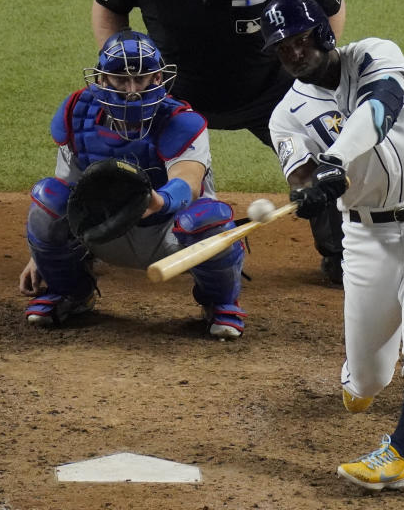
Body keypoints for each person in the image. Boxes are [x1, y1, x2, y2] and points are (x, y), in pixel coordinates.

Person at [91, 0, 348, 284]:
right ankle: (97, 238)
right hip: (174, 95)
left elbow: (330, 5)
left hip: (268, 91)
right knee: (112, 146)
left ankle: (343, 252)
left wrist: (313, 73)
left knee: (326, 148)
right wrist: (126, 75)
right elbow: (108, 4)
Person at [261, 0, 404, 490]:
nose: (292, 54)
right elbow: (303, 177)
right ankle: (358, 378)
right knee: (371, 379)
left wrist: (336, 158)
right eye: (281, 48)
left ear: (324, 33)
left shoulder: (377, 54)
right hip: (369, 241)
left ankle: (398, 455)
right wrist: (309, 192)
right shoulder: (285, 116)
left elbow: (380, 110)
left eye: (299, 40)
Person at [18, 30, 247, 340]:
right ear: (102, 79)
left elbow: (188, 182)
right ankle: (69, 292)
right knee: (48, 199)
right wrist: (40, 258)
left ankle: (220, 303)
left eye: (141, 79)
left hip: (170, 237)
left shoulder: (181, 120)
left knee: (209, 218)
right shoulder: (77, 113)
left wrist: (157, 202)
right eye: (121, 79)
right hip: (104, 231)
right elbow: (67, 186)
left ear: (157, 77)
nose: (132, 91)